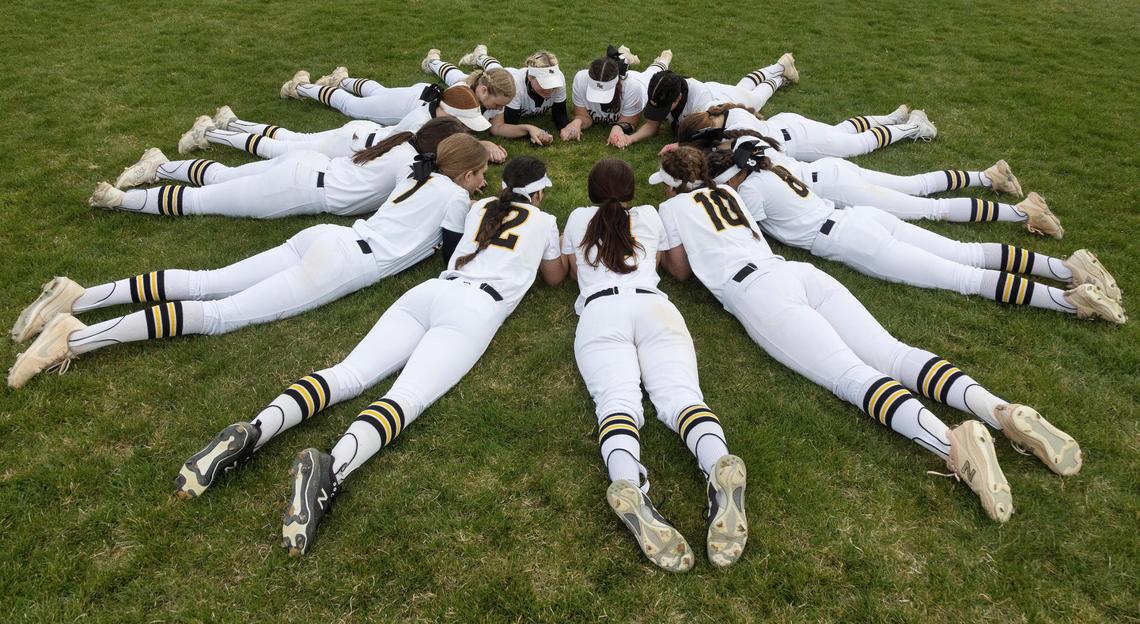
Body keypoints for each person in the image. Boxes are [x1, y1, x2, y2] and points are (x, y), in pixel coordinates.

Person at [648, 146, 1085, 523]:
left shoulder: (670, 208)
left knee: (850, 376)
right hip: (799, 273)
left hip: (757, 292)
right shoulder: (728, 191)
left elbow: (683, 272)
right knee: (893, 352)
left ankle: (952, 446)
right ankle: (999, 409)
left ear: (670, 186)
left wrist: (667, 257)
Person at [172, 157, 567, 556]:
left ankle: (257, 429)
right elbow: (553, 277)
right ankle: (333, 470)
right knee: (405, 398)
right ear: (538, 192)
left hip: (430, 292)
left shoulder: (480, 206)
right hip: (476, 307)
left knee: (348, 373)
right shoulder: (545, 221)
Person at [7, 134, 489, 388]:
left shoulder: (417, 175)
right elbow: (448, 255)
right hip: (344, 263)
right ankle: (76, 338)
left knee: (206, 281)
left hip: (325, 238)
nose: (483, 184)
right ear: (465, 172)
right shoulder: (454, 198)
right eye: (481, 175)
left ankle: (82, 295)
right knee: (218, 315)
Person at [708, 135, 1124, 321]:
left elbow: (744, 234)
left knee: (965, 276)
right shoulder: (769, 167)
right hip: (861, 218)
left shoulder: (746, 193)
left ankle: (1067, 301)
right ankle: (1067, 270)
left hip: (849, 238)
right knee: (966, 253)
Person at [562, 159, 747, 572]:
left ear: (591, 193)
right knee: (681, 397)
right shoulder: (649, 215)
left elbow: (573, 271)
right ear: (631, 194)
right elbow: (672, 267)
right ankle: (716, 461)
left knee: (616, 405)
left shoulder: (576, 219)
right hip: (654, 306)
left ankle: (628, 480)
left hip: (600, 312)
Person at [679, 117, 1063, 237]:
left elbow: (712, 194)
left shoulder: (729, 175)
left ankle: (1022, 212)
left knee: (927, 209)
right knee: (916, 186)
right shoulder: (742, 141)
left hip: (833, 187)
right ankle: (987, 176)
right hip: (832, 172)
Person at [101, 116, 472, 219]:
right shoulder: (411, 166)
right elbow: (414, 204)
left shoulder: (405, 140)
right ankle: (119, 199)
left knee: (222, 178)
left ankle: (161, 168)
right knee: (203, 201)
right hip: (299, 189)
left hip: (307, 167)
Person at [616, 53, 806, 147]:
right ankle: (781, 65)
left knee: (755, 99)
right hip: (715, 89)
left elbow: (711, 137)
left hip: (726, 101)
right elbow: (653, 124)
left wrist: (680, 145)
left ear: (679, 97)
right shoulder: (660, 87)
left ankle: (780, 74)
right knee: (744, 87)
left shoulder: (704, 105)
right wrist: (631, 138)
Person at [672, 100, 933, 162]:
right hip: (789, 124)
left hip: (798, 140)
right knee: (841, 130)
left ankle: (913, 126)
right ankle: (891, 117)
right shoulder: (721, 112)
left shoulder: (737, 131)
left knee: (858, 145)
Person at [281, 65, 513, 132]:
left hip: (419, 94)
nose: (500, 108)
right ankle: (299, 87)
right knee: (352, 106)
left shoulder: (476, 89)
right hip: (409, 106)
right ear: (483, 90)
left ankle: (340, 80)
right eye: (499, 104)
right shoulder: (465, 94)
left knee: (378, 91)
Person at [422, 46, 568, 145]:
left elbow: (498, 127)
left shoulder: (503, 97)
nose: (550, 89)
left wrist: (531, 129)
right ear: (530, 77)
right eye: (544, 83)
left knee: (495, 69)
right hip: (499, 81)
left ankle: (480, 56)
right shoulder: (510, 89)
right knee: (458, 77)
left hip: (500, 81)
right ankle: (433, 62)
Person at [560, 45, 668, 146]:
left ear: (616, 84)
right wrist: (577, 122)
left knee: (652, 72)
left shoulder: (632, 87)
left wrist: (618, 127)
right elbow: (584, 117)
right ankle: (623, 56)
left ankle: (665, 58)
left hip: (640, 82)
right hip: (620, 77)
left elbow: (630, 123)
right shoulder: (581, 79)